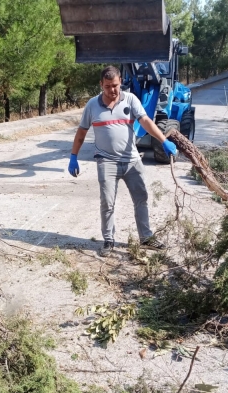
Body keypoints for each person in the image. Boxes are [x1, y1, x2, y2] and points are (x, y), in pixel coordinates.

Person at [68, 65, 178, 257]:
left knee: (141, 199)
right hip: (106, 162)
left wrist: (163, 140)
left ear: (121, 83)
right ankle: (109, 240)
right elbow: (81, 132)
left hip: (132, 161)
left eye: (116, 86)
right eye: (108, 86)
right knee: (107, 203)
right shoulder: (92, 105)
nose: (112, 90)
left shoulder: (130, 99)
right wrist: (73, 156)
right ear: (101, 84)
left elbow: (145, 121)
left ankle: (146, 238)